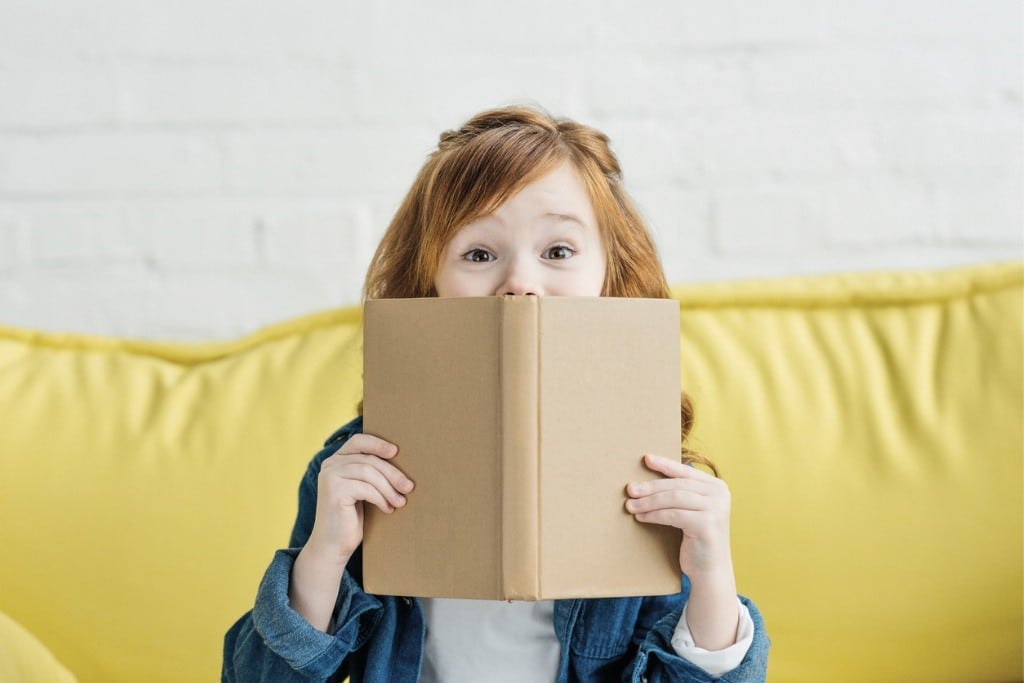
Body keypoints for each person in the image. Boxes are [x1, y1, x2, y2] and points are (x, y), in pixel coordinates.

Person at [222, 105, 769, 682]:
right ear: (427, 283)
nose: (521, 284)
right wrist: (323, 559)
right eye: (479, 254)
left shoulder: (658, 479)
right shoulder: (355, 473)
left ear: (611, 275)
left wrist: (712, 578)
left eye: (558, 251)